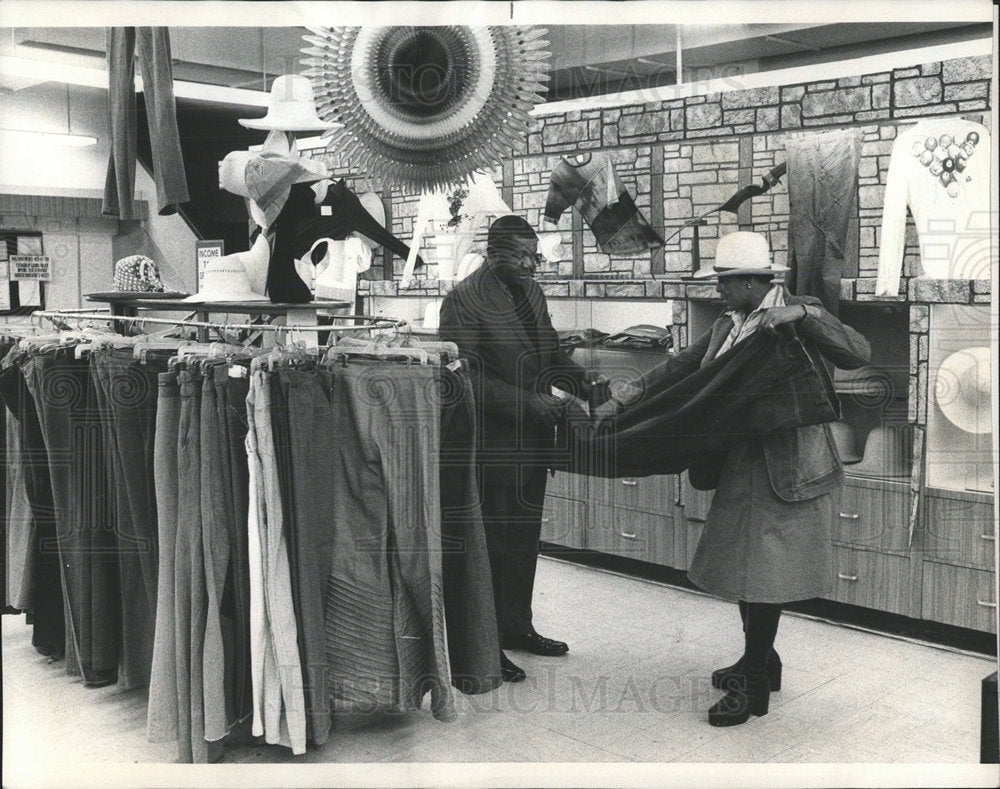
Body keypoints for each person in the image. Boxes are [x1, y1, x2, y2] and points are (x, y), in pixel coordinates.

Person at [611, 231, 870, 725]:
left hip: (785, 463)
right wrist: (630, 392)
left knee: (762, 576)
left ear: (752, 282)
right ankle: (762, 661)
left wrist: (806, 316)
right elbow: (685, 365)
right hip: (740, 459)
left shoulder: (798, 308)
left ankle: (753, 685)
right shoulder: (731, 324)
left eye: (725, 283)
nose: (719, 292)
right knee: (742, 568)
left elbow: (858, 351)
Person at [439, 215, 605, 683]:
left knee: (523, 542)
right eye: (523, 256)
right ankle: (483, 645)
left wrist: (583, 383)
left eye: (536, 255)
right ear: (494, 254)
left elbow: (550, 354)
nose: (534, 264)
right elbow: (460, 378)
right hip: (491, 446)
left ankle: (517, 629)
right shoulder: (462, 301)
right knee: (490, 546)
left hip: (534, 443)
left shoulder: (532, 292)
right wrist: (525, 404)